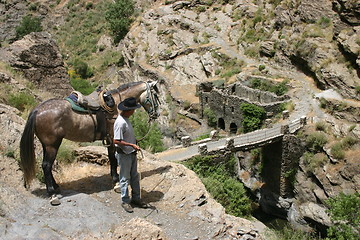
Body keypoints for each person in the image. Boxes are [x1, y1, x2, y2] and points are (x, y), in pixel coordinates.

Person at [113, 97, 148, 213]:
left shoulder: (126, 119)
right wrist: (131, 145)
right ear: (128, 110)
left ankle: (136, 198)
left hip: (130, 153)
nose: (134, 112)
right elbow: (116, 141)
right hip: (124, 154)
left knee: (134, 176)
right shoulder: (120, 122)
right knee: (124, 178)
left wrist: (133, 142)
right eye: (133, 110)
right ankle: (125, 201)